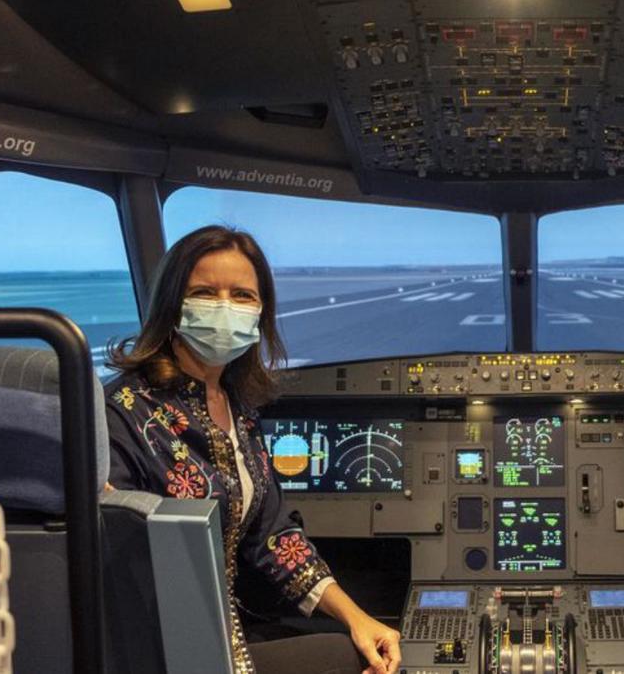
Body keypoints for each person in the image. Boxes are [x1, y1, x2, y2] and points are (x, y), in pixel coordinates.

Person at [104, 225, 401, 674]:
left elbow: (272, 535)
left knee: (359, 644)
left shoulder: (234, 405)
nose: (225, 308)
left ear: (261, 312)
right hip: (164, 650)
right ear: (171, 306)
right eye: (205, 292)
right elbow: (118, 559)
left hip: (225, 628)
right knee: (346, 660)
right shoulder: (123, 412)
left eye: (242, 295)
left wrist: (358, 617)